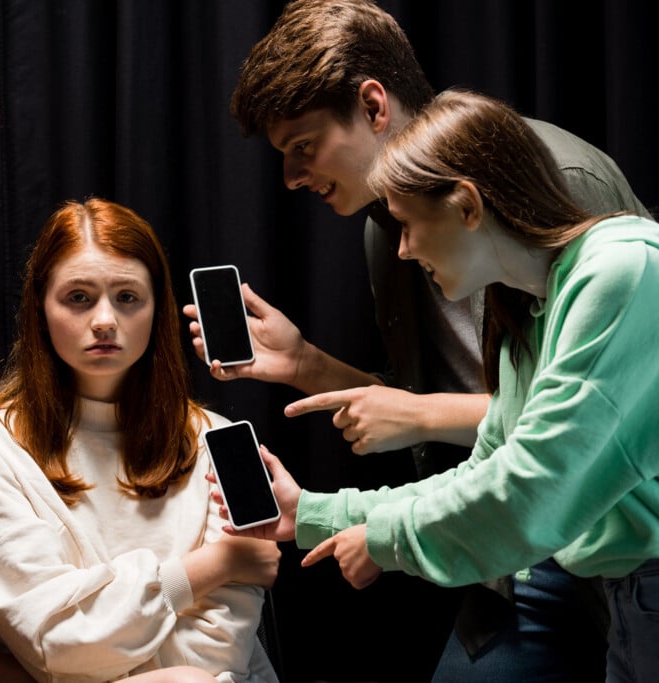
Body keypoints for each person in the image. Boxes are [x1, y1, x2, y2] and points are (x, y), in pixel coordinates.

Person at [184, 0, 652, 678]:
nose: (401, 248)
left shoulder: (595, 238)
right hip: (531, 538)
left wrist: (385, 529)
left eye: (302, 148)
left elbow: (560, 458)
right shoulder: (416, 245)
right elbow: (501, 451)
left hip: (594, 534)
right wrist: (310, 391)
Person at [0, 198, 281, 683]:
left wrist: (38, 674)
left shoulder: (219, 440)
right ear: (41, 308)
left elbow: (216, 656)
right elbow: (56, 642)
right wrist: (210, 567)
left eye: (127, 297)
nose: (104, 320)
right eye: (79, 297)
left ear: (156, 308)